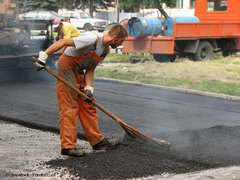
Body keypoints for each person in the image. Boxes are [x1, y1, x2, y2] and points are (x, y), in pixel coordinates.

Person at [35, 24, 128, 157]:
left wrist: (89, 87)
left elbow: (90, 68)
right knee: (69, 106)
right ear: (115, 37)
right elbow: (62, 42)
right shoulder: (90, 39)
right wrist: (44, 56)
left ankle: (97, 141)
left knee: (88, 103)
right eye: (121, 41)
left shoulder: (105, 50)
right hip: (67, 66)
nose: (120, 44)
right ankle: (68, 146)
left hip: (79, 70)